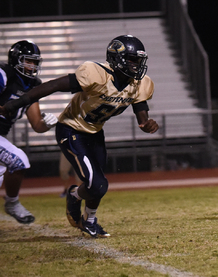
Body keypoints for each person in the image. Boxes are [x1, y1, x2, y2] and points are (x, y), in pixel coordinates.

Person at [0, 35, 158, 237]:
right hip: (71, 129)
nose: (136, 66)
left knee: (98, 184)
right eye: (132, 60)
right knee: (98, 184)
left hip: (94, 132)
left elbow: (141, 114)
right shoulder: (96, 73)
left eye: (139, 61)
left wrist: (146, 124)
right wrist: (17, 103)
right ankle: (76, 199)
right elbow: (54, 85)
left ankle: (88, 217)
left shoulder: (140, 84)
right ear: (116, 58)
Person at [0, 40, 58, 224]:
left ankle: (12, 203)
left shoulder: (33, 85)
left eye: (35, 62)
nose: (32, 66)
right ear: (16, 59)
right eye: (28, 61)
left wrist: (48, 123)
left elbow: (37, 125)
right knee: (19, 160)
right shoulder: (4, 74)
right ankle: (12, 203)